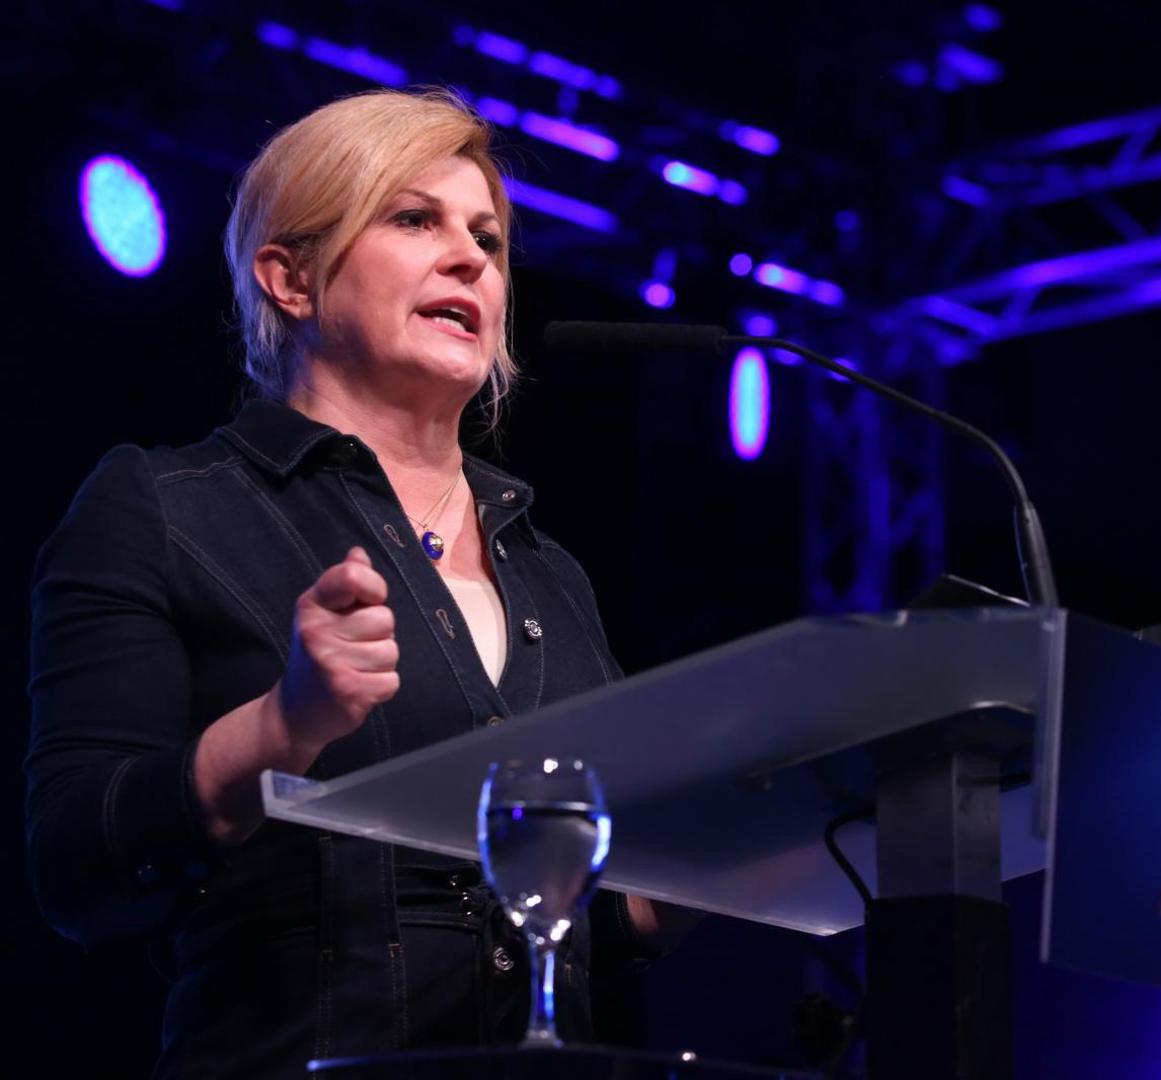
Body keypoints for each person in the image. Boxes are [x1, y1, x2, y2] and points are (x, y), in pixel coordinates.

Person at [25, 88, 679, 1077]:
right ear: (291, 279)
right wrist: (282, 725)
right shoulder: (167, 509)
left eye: (489, 240)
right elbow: (77, 868)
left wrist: (757, 836)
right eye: (414, 220)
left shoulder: (551, 574)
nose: (469, 258)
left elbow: (607, 917)